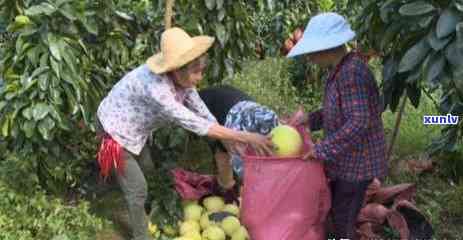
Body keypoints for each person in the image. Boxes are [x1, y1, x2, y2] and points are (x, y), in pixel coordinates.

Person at [95, 27, 273, 240]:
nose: (200, 77)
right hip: (113, 131)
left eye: (201, 70)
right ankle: (141, 236)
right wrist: (247, 137)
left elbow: (201, 111)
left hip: (135, 131)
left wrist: (226, 137)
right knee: (138, 189)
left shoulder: (182, 80)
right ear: (177, 70)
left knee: (148, 170)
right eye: (195, 72)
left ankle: (145, 210)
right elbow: (195, 123)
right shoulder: (158, 91)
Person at [286, 12, 388, 240]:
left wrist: (321, 149)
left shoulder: (352, 73)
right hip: (347, 160)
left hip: (357, 164)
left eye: (312, 53)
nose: (310, 59)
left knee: (344, 215)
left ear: (327, 49)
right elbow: (339, 112)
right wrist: (310, 120)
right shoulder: (340, 70)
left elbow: (359, 121)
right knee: (338, 206)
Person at [198, 85, 279, 189]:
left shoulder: (266, 121)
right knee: (224, 151)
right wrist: (227, 185)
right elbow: (223, 154)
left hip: (230, 99)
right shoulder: (231, 135)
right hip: (209, 102)